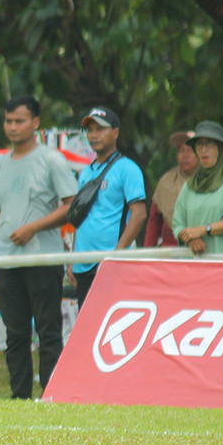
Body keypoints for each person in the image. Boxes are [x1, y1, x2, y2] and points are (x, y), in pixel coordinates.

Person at [0, 96, 78, 399]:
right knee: (15, 335)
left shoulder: (52, 160)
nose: (12, 127)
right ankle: (20, 397)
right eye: (8, 121)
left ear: (36, 123)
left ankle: (51, 393)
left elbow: (71, 206)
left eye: (20, 121)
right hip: (7, 261)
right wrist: (14, 231)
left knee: (48, 331)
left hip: (43, 258)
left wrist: (33, 228)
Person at [68, 107, 147, 308]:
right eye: (90, 130)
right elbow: (79, 217)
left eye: (100, 129)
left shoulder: (128, 169)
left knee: (111, 325)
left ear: (116, 132)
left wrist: (116, 256)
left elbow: (139, 215)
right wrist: (72, 260)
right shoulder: (86, 172)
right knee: (87, 328)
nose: (94, 135)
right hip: (83, 264)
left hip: (111, 264)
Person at [172, 121, 223, 257]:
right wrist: (191, 238)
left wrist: (203, 230)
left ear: (219, 148)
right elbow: (178, 224)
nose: (203, 150)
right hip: (197, 266)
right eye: (199, 145)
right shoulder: (190, 185)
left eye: (209, 144)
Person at [144, 130, 198, 247]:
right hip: (169, 251)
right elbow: (154, 221)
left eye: (190, 150)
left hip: (202, 251)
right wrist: (147, 253)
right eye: (181, 151)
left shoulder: (211, 182)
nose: (185, 155)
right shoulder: (166, 182)